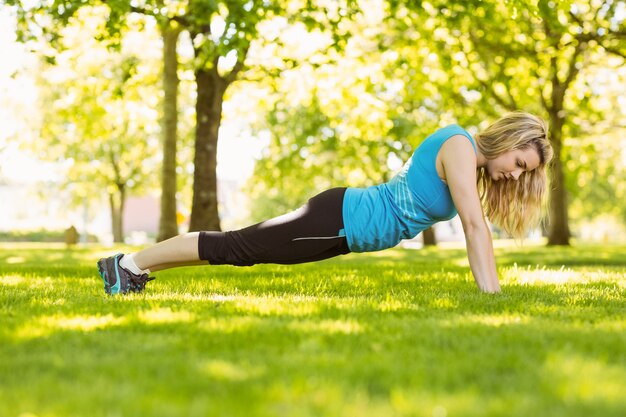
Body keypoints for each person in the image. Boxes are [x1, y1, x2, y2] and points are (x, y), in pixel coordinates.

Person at [97, 111, 553, 295]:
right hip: (339, 218)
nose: (515, 174)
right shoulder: (458, 145)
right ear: (507, 140)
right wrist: (492, 297)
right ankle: (128, 265)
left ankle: (135, 271)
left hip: (342, 230)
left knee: (237, 253)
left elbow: (476, 223)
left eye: (525, 172)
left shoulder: (469, 162)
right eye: (519, 162)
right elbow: (474, 227)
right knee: (235, 247)